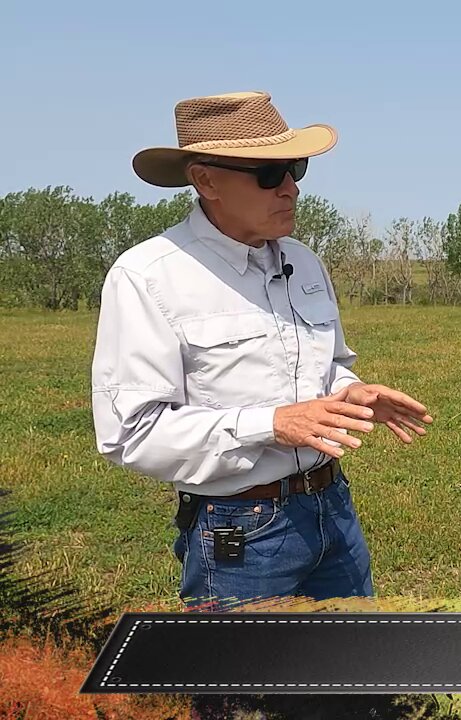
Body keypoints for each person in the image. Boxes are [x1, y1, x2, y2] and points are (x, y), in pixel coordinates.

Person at [91, 91, 432, 610]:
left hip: (332, 505)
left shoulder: (304, 263)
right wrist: (271, 424)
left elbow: (329, 365)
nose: (291, 188)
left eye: (295, 168)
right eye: (270, 174)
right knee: (247, 687)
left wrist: (351, 393)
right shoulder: (148, 277)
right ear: (206, 181)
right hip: (241, 531)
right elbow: (130, 433)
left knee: (359, 674)